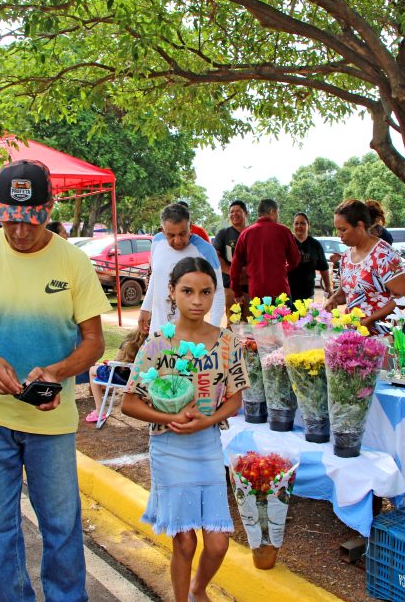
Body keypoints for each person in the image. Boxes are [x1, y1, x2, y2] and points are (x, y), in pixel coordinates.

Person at [0, 159, 111, 601]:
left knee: (60, 525)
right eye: (11, 220)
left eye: (31, 221)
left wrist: (56, 372)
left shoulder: (73, 261)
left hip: (50, 421)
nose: (20, 232)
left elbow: (94, 342)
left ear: (49, 208)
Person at [121, 256, 247, 602]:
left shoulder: (227, 342)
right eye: (188, 291)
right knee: (186, 539)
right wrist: (169, 419)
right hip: (169, 447)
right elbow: (129, 403)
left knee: (219, 541)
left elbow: (235, 399)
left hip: (207, 445)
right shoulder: (158, 343)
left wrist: (208, 420)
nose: (197, 300)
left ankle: (198, 589)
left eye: (206, 292)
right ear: (171, 292)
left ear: (214, 295)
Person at [324, 199, 405, 330]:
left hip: (381, 337)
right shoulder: (346, 257)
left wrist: (371, 319)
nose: (339, 235)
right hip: (354, 336)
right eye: (337, 229)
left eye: (343, 229)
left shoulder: (383, 255)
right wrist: (335, 299)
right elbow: (349, 291)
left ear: (360, 226)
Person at [139, 204, 224, 335]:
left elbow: (217, 291)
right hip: (157, 330)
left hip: (190, 335)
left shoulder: (205, 250)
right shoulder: (156, 242)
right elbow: (155, 279)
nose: (177, 240)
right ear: (162, 231)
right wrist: (145, 309)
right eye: (171, 235)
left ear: (190, 228)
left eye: (183, 233)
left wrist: (212, 329)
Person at [229, 198, 300, 303]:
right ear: (272, 211)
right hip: (280, 291)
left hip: (257, 293)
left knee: (259, 319)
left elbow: (235, 267)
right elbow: (295, 260)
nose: (277, 217)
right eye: (277, 213)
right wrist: (282, 270)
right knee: (282, 319)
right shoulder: (284, 231)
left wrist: (237, 291)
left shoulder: (246, 233)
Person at [84, 329, 147, 424]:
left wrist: (108, 364)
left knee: (92, 370)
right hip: (139, 380)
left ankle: (99, 409)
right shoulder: (154, 344)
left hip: (120, 377)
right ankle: (108, 388)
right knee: (101, 368)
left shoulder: (129, 341)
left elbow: (117, 362)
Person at [213, 200, 249, 319]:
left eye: (237, 211)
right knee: (233, 325)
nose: (234, 214)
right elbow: (216, 257)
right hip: (230, 288)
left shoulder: (253, 233)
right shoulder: (224, 233)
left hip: (251, 287)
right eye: (231, 212)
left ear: (246, 213)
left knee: (253, 325)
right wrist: (231, 271)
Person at [288, 212, 332, 301]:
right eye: (296, 223)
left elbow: (323, 267)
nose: (299, 226)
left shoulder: (315, 244)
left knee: (306, 315)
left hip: (307, 294)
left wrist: (328, 287)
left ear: (309, 225)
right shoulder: (287, 243)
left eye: (303, 223)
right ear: (293, 225)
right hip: (288, 294)